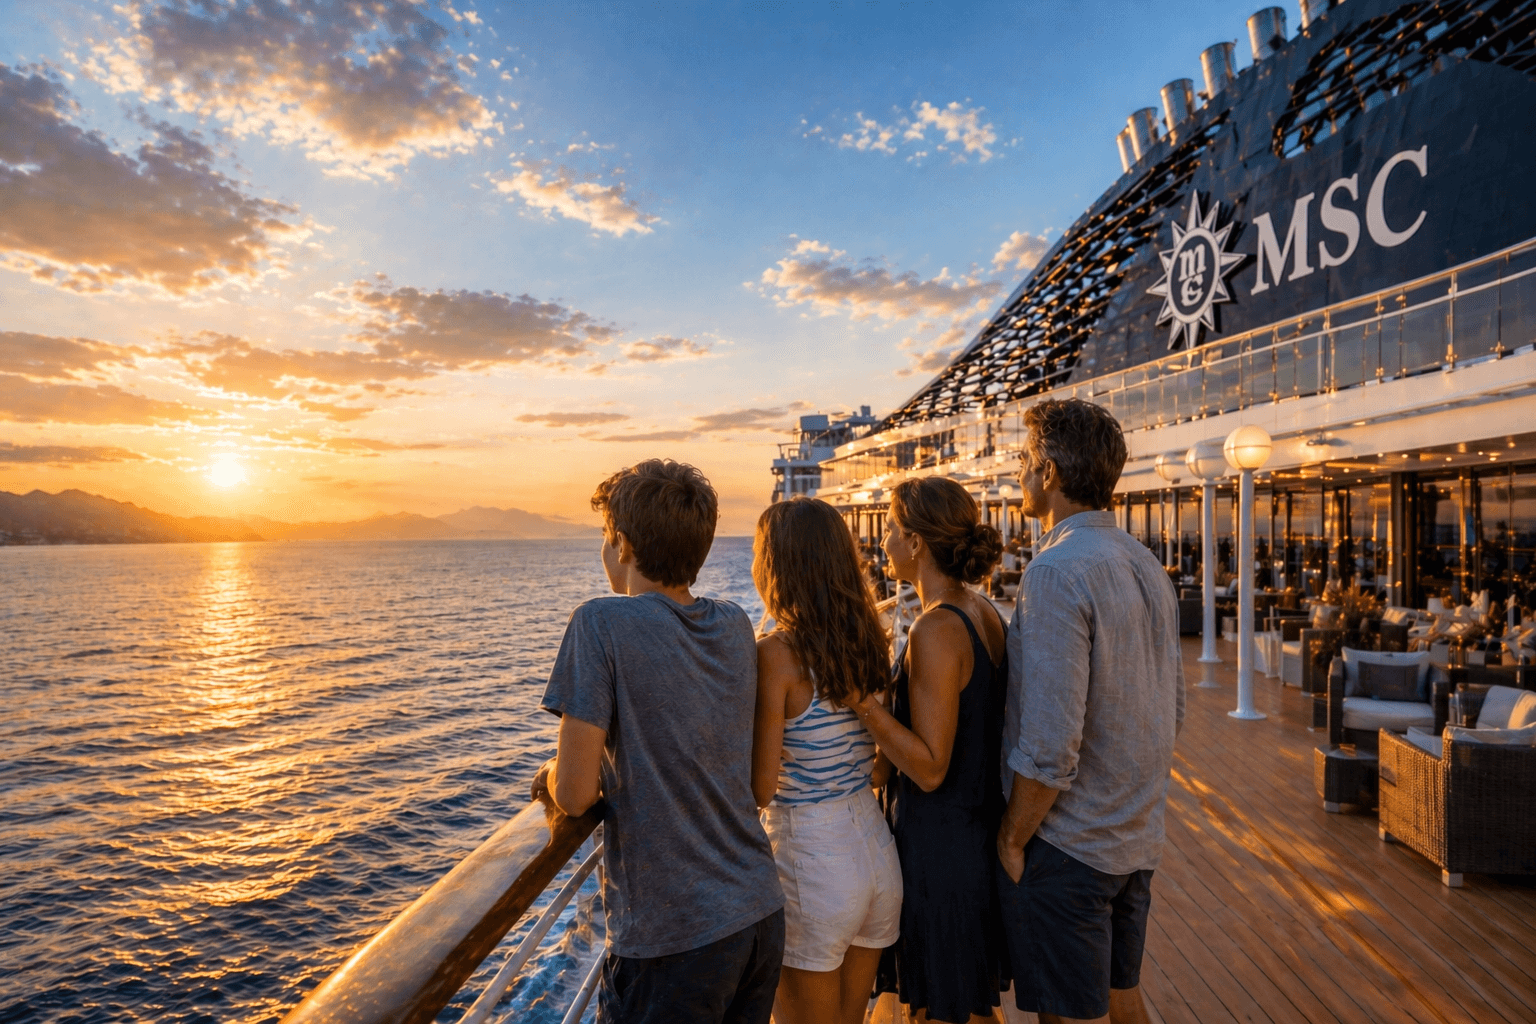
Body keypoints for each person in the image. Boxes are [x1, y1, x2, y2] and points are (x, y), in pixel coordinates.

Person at [532, 459, 785, 1024]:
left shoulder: (600, 624)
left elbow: (573, 794)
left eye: (604, 536)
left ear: (621, 544)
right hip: (757, 913)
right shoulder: (734, 623)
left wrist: (548, 774)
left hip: (675, 939)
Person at [995, 399, 1184, 1024]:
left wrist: (1013, 836)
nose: (1018, 473)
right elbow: (1172, 708)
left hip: (1070, 844)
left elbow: (1050, 742)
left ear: (1049, 472)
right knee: (1122, 997)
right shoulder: (1148, 566)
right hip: (1134, 836)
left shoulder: (1055, 572)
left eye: (1024, 460)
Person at [850, 477, 1009, 1024]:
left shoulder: (936, 628)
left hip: (940, 851)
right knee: (962, 1004)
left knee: (938, 1007)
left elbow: (930, 767)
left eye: (891, 529)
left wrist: (862, 705)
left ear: (916, 542)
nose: (883, 542)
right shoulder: (980, 610)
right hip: (972, 836)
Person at [749, 497, 902, 1024]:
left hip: (812, 858)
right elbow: (879, 761)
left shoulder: (776, 655)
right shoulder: (866, 640)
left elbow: (761, 788)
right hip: (875, 851)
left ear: (775, 566)